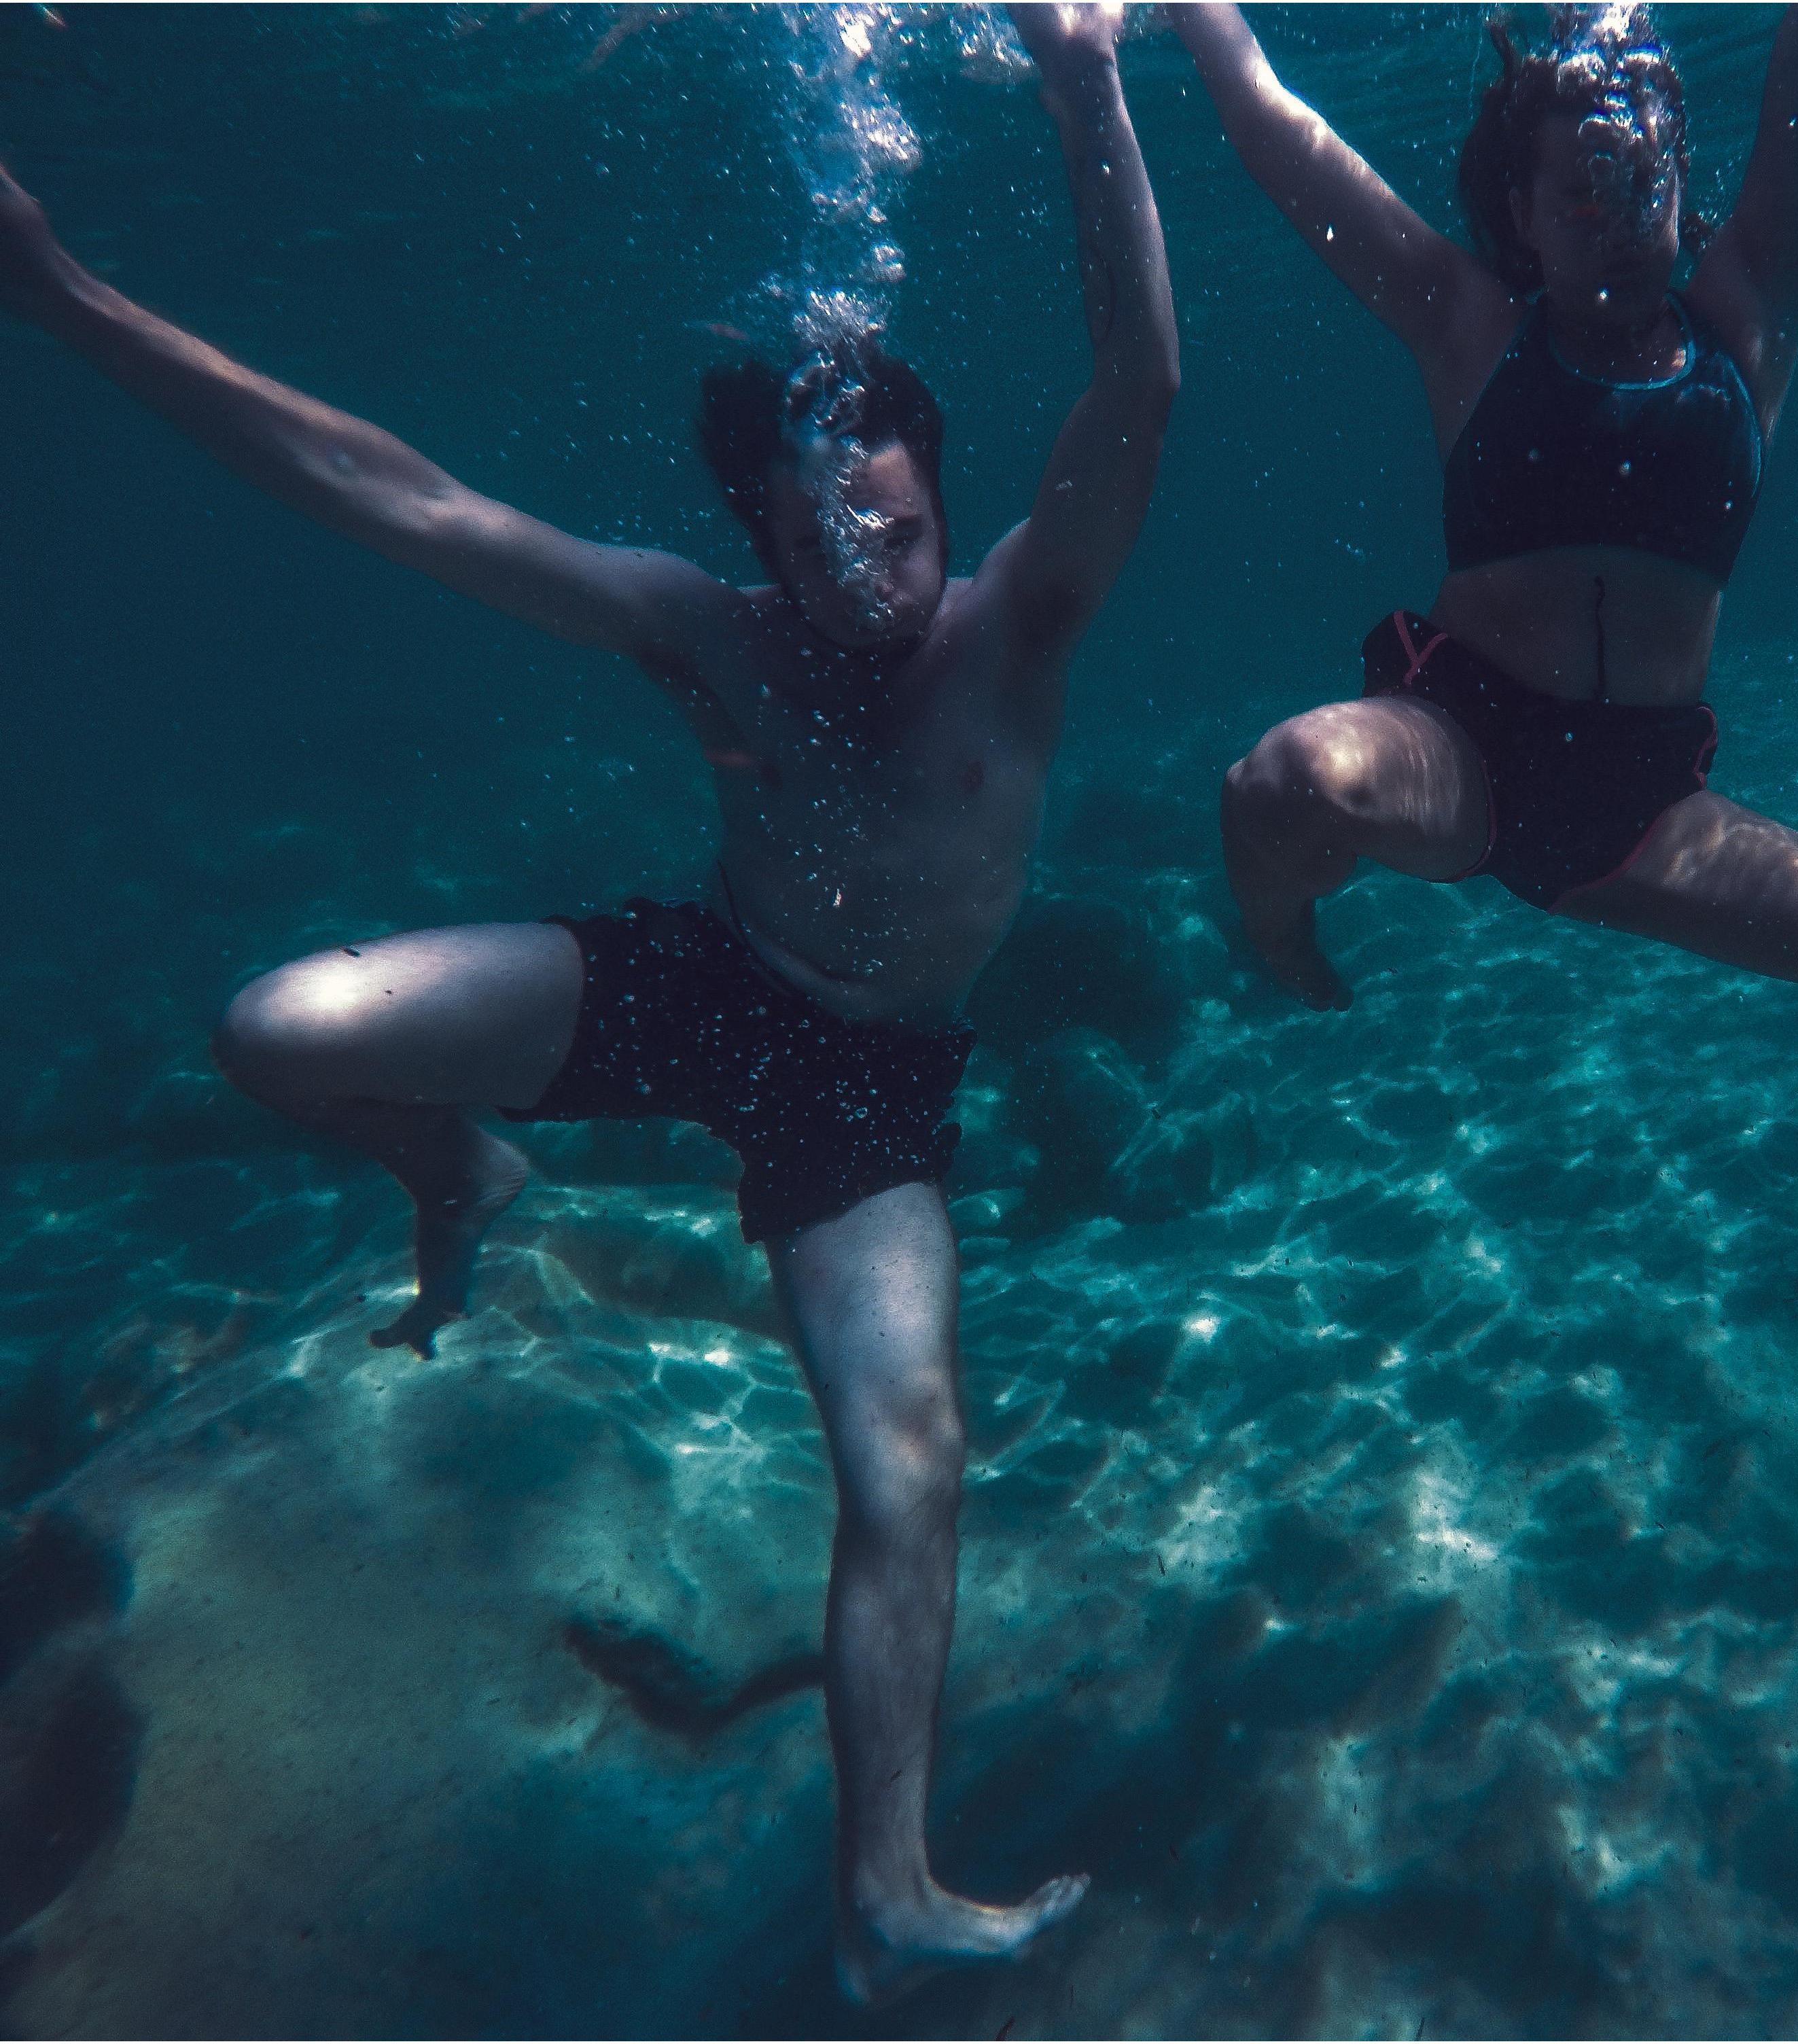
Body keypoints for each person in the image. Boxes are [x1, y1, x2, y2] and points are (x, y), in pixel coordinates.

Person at [0, 1, 1177, 2001]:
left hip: (869, 1085)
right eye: (819, 541)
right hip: (698, 985)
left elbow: (1139, 382)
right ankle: (460, 1176)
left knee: (911, 1454)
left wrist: (1089, 89)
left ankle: (886, 1892)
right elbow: (403, 499)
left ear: (946, 506)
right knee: (275, 1029)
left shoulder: (1020, 630)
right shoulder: (699, 633)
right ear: (760, 546)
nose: (867, 573)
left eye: (894, 525)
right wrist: (67, 298)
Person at [1175, 5, 1798, 1195]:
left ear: (1682, 180)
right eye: (1578, 198)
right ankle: (1279, 937)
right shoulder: (1468, 327)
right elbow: (1275, 124)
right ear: (1522, 218)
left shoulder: (1745, 323)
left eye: (1641, 187)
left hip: (1643, 810)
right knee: (1287, 785)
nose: (1618, 226)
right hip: (1461, 743)